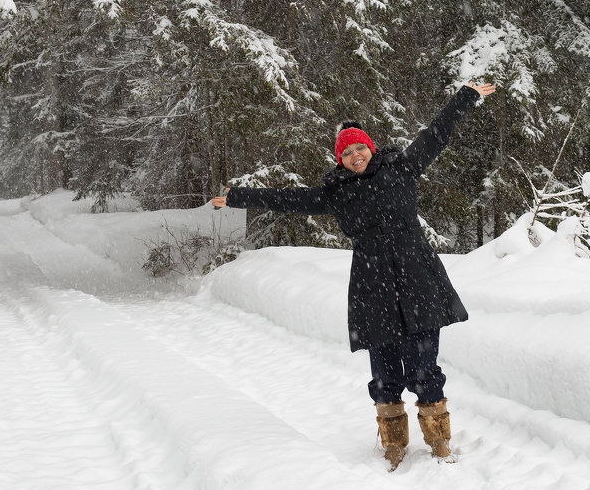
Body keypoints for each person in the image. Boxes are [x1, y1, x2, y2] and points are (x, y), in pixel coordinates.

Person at [212, 81, 496, 470]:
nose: (356, 155)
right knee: (383, 367)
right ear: (339, 159)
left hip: (418, 276)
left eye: (360, 147)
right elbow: (287, 199)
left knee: (424, 363)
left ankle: (438, 438)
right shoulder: (335, 193)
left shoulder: (403, 167)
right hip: (372, 283)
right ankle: (394, 441)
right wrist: (238, 196)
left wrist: (467, 95)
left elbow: (437, 133)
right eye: (347, 152)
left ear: (371, 147)